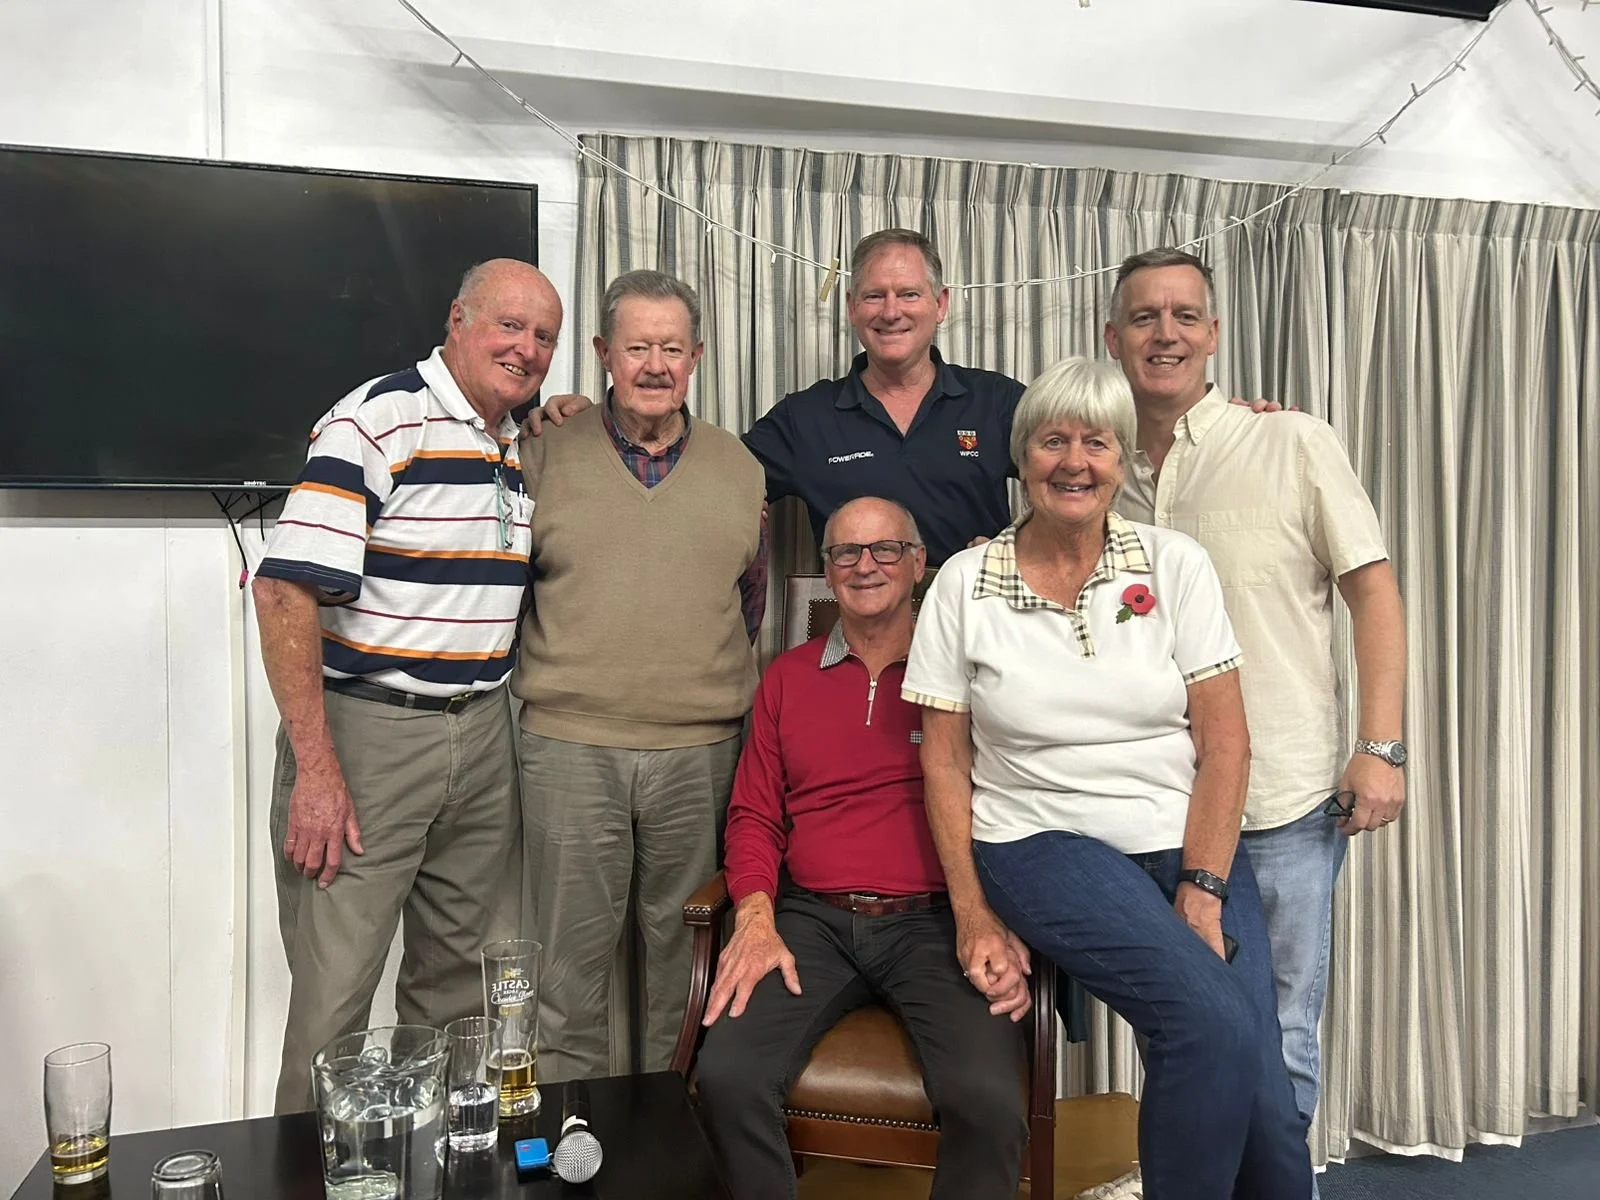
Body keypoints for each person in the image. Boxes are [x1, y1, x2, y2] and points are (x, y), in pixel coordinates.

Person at [904, 357, 1314, 1199]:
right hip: (1042, 842)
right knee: (1207, 1023)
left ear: (1124, 461)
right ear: (1022, 458)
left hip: (1181, 838)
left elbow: (1227, 741)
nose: (1075, 462)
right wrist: (972, 913)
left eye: (1097, 442)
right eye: (1053, 440)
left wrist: (1202, 884)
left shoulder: (1175, 564)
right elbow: (943, 759)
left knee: (1267, 1109)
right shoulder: (963, 584)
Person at [1104, 247, 1406, 1141]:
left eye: (1186, 315)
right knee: (1182, 1034)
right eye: (1147, 318)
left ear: (1215, 334)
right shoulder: (1092, 466)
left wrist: (1380, 745)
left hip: (1282, 802)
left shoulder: (1289, 441)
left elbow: (1374, 591)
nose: (1167, 334)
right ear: (1113, 337)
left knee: (1282, 1034)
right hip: (1155, 802)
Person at [252, 258, 563, 1112]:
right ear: (457, 320)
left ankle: (436, 1163)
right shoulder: (379, 419)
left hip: (484, 730)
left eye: (544, 336)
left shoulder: (515, 438)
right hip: (370, 736)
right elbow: (283, 589)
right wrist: (317, 772)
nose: (527, 347)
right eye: (509, 325)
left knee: (462, 985)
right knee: (336, 998)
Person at [696, 496, 1031, 1200]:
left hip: (940, 922)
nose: (865, 565)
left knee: (990, 1100)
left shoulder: (968, 675)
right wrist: (755, 917)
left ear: (918, 565)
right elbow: (755, 814)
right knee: (727, 1078)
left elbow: (1019, 805)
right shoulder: (786, 678)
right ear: (827, 571)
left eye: (885, 550)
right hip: (811, 921)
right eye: (846, 552)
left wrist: (998, 917)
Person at [511, 269, 768, 1083]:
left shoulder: (740, 467)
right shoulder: (543, 451)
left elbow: (747, 601)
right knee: (567, 973)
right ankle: (572, 1141)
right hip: (568, 747)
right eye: (635, 347)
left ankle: (668, 1139)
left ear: (696, 355)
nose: (654, 365)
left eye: (671, 348)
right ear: (602, 354)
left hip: (702, 755)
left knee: (683, 970)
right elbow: (508, 594)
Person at [530, 230, 1023, 565]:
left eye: (909, 294)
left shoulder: (999, 402)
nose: (890, 311)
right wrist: (599, 420)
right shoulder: (805, 419)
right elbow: (696, 470)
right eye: (874, 296)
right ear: (851, 308)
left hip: (977, 634)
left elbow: (1078, 483)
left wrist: (1022, 551)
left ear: (940, 305)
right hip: (857, 642)